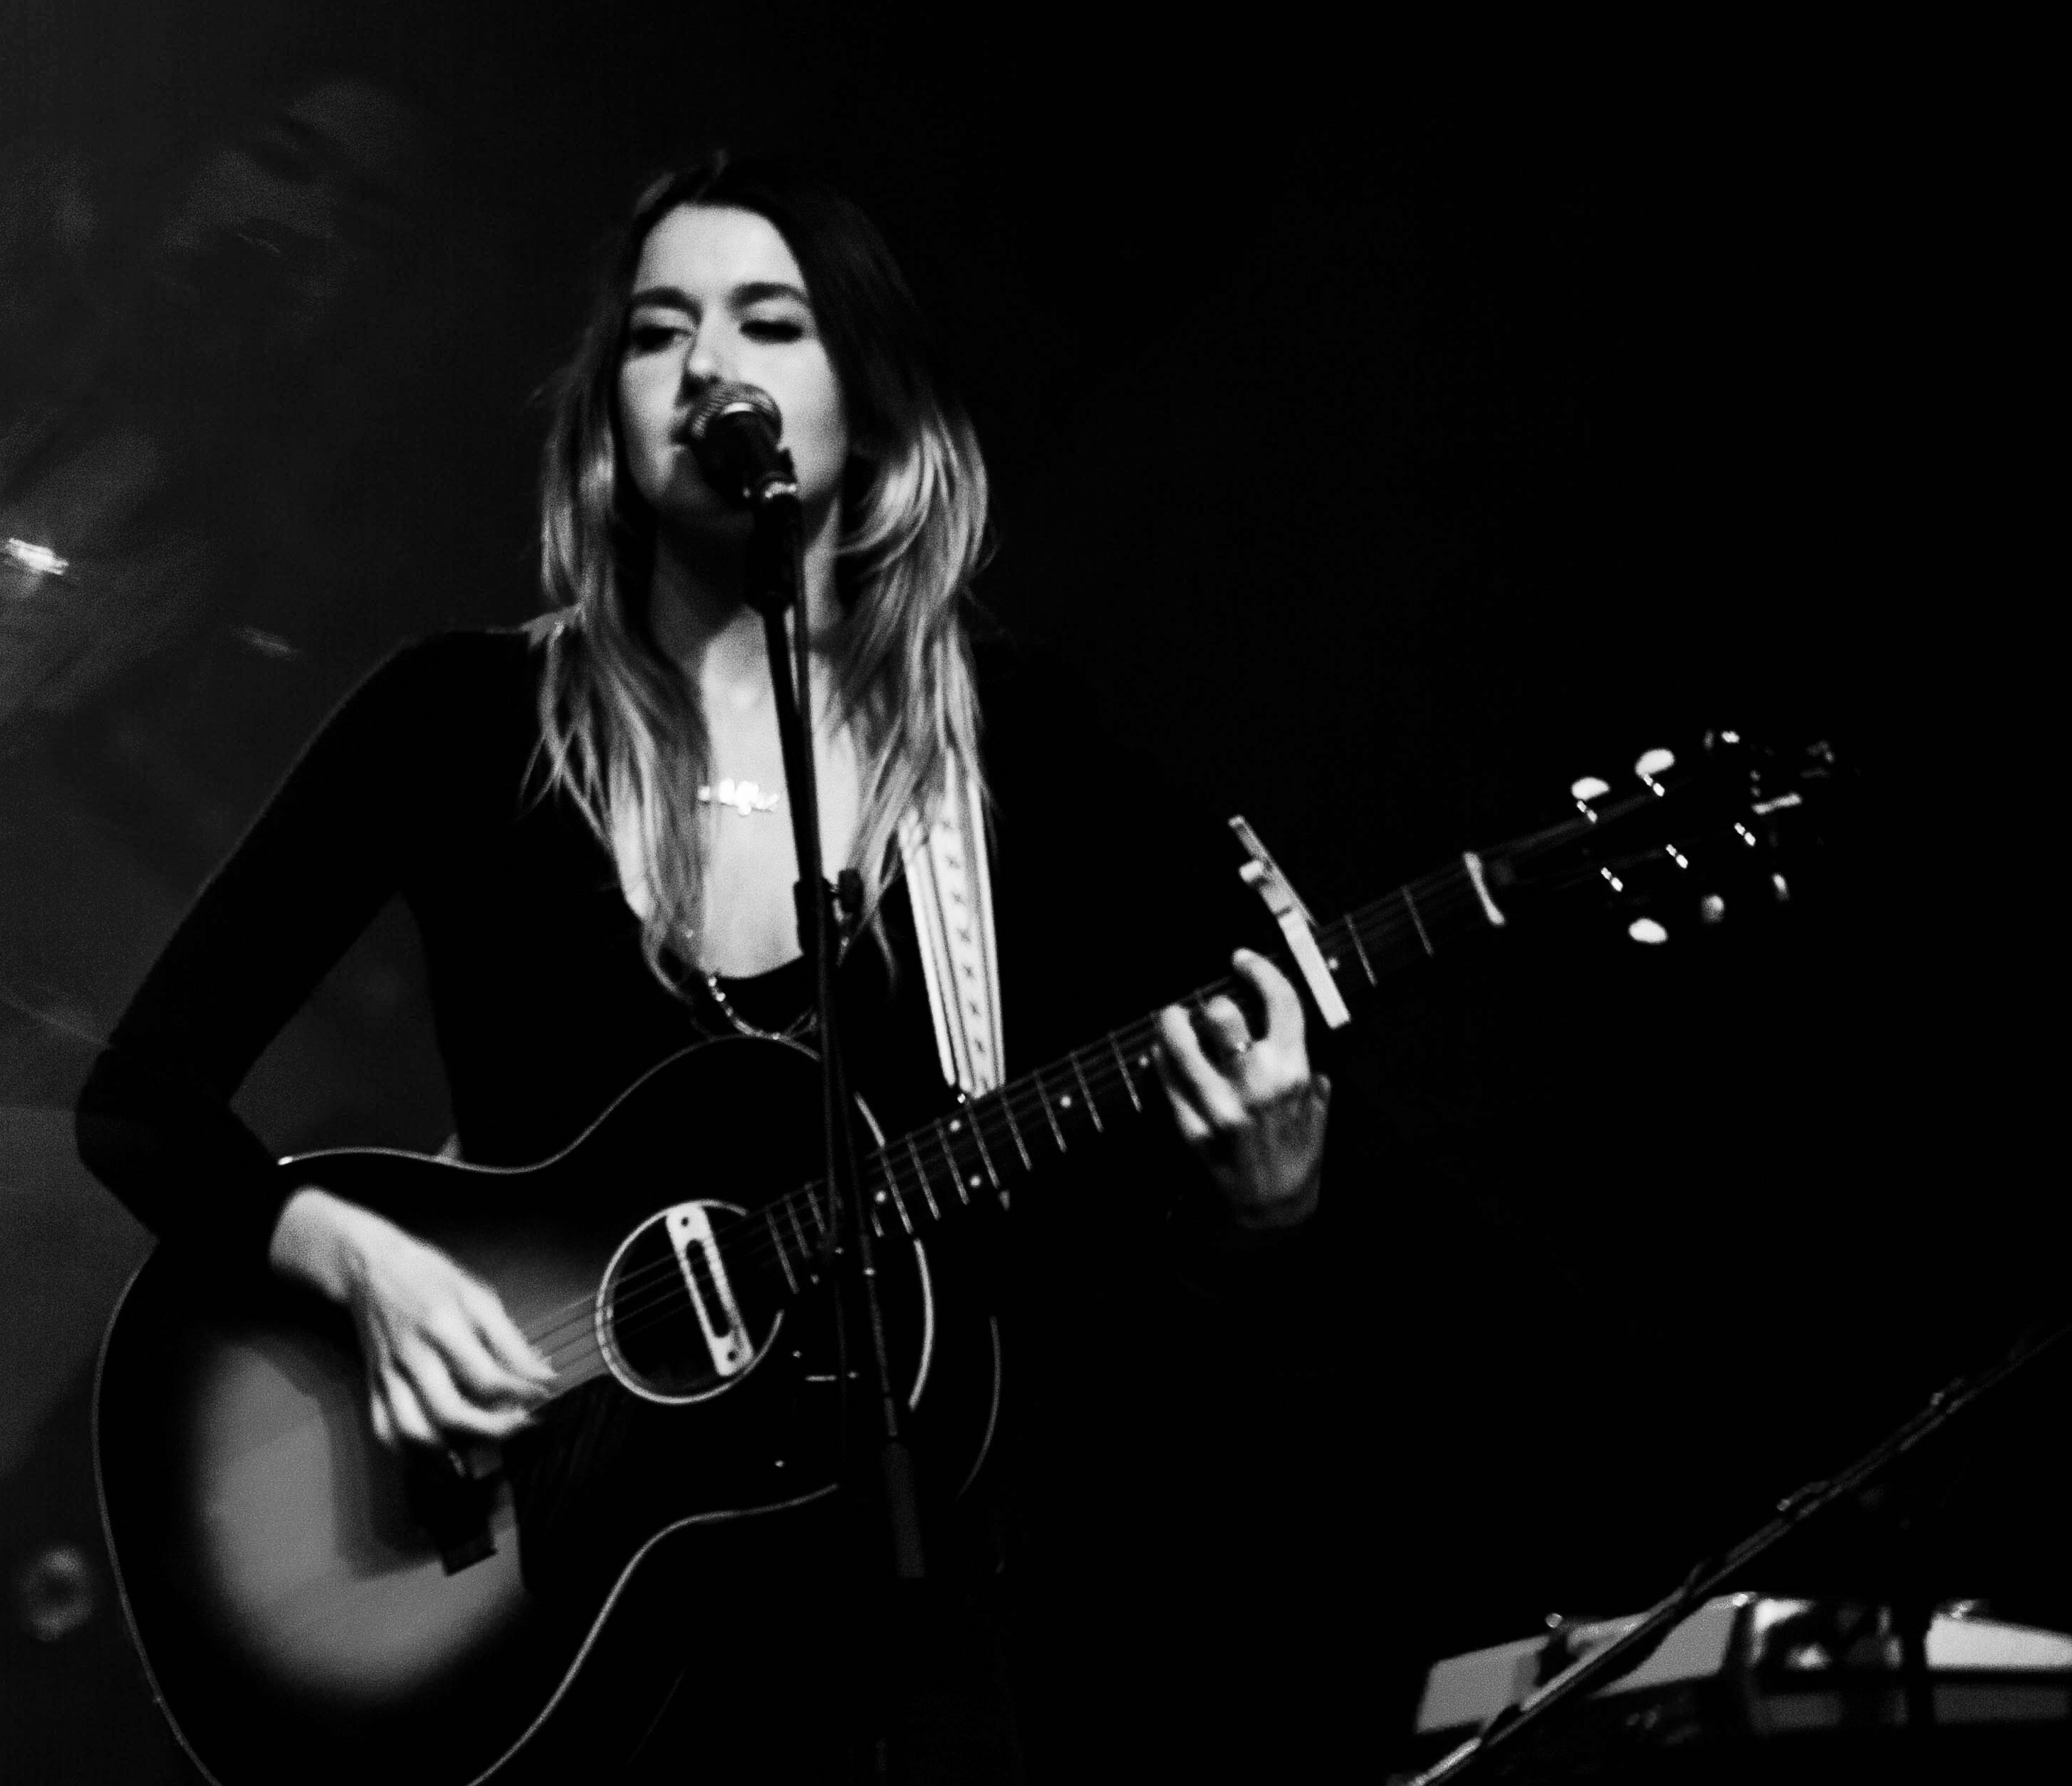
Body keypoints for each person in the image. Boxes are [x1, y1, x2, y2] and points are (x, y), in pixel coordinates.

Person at [72, 155, 1332, 1778]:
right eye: (660, 331)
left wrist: (1258, 1208)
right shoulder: (458, 723)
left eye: (769, 323)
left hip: (902, 1652)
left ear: (868, 402)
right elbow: (140, 1103)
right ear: (611, 411)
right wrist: (358, 1263)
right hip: (554, 1629)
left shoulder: (1012, 748)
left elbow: (1095, 1295)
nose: (707, 367)